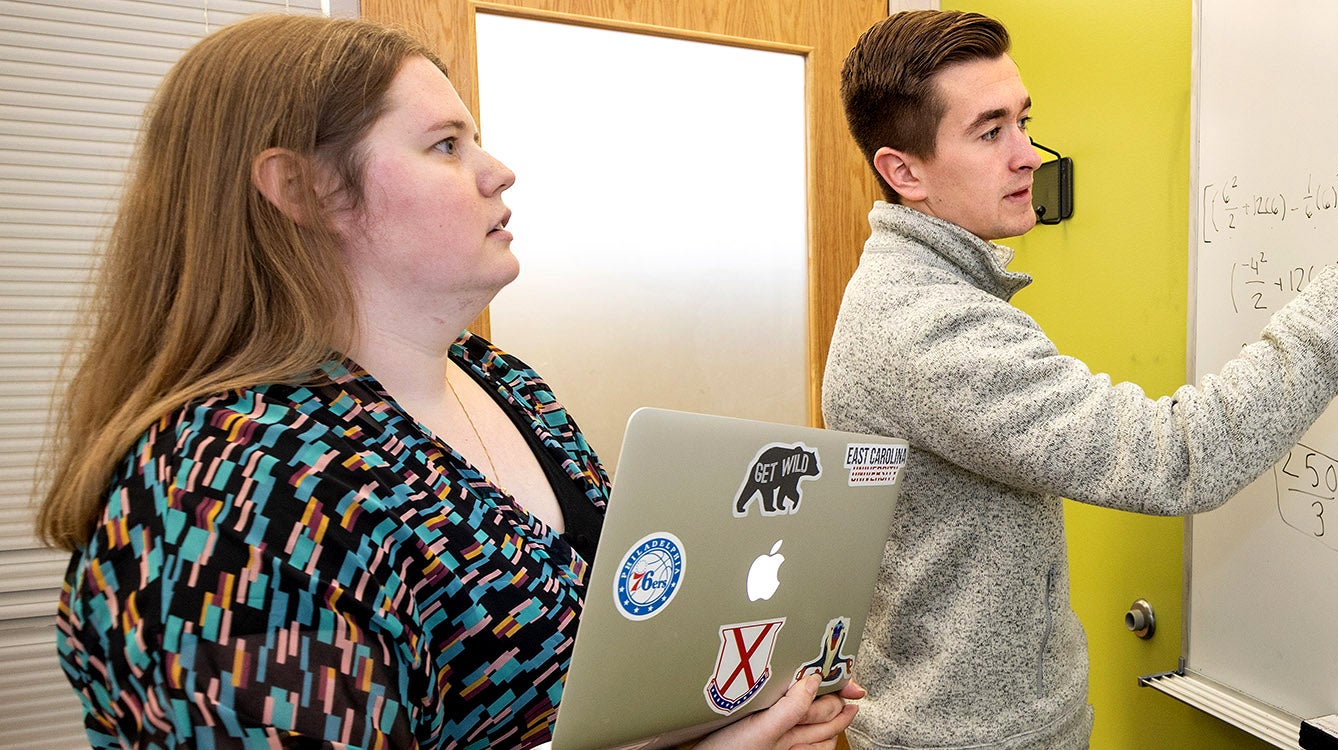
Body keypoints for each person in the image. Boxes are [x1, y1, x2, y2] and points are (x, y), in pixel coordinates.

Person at [39, 15, 855, 750]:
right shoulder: (228, 492)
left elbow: (601, 684)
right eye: (445, 145)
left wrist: (741, 710)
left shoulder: (503, 382)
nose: (498, 172)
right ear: (304, 189)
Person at [824, 10, 1338, 750]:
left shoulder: (924, 292)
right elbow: (1178, 456)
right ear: (902, 171)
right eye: (989, 131)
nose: (1027, 155)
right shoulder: (928, 326)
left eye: (1023, 120)